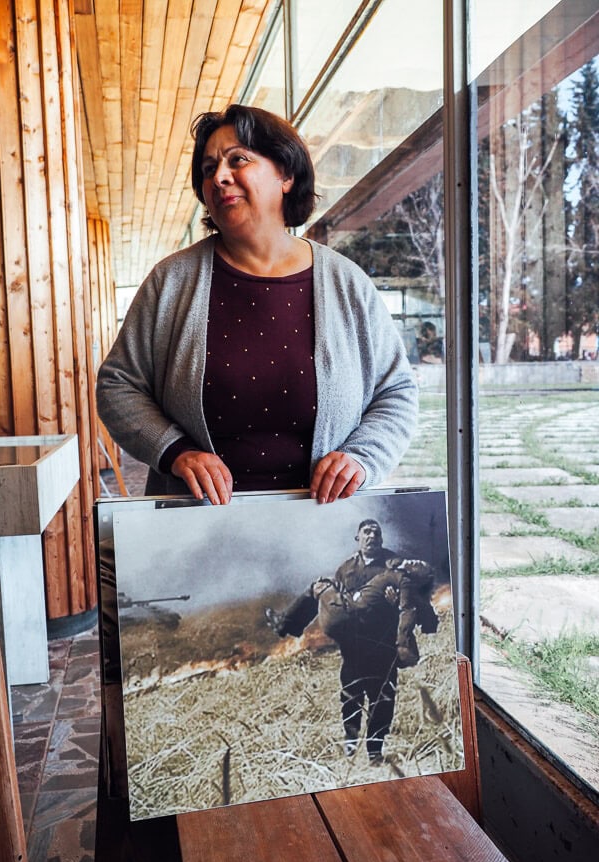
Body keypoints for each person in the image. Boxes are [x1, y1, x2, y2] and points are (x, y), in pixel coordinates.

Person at [96, 104, 418, 505]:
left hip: (325, 530)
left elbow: (397, 391)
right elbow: (117, 385)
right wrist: (176, 452)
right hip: (197, 534)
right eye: (209, 168)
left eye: (238, 160)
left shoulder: (346, 282)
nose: (220, 177)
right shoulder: (172, 281)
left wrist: (362, 457)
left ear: (285, 174)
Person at [265, 519, 436, 763]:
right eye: (366, 533)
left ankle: (375, 751)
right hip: (354, 644)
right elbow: (340, 605)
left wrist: (393, 601)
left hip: (381, 642)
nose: (372, 537)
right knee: (351, 695)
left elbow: (412, 601)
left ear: (381, 539)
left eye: (376, 533)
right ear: (358, 538)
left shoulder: (393, 564)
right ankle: (351, 741)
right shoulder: (346, 568)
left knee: (383, 698)